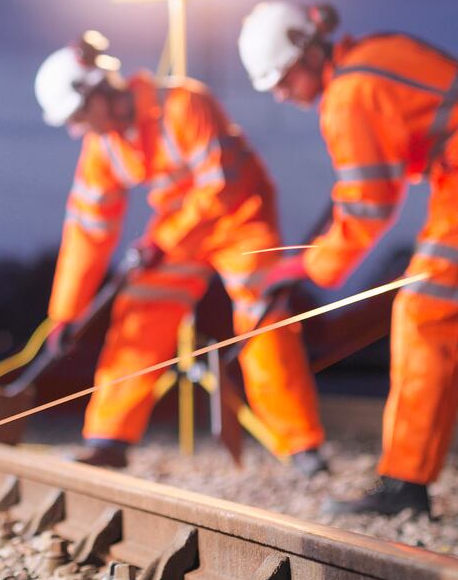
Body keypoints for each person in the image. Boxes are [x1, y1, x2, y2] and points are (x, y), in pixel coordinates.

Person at [238, 1, 458, 517]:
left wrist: (307, 268)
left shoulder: (348, 93)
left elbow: (368, 204)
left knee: (425, 313)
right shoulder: (369, 58)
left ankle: (404, 483)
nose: (280, 93)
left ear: (307, 53)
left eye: (282, 79)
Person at [35, 33, 325, 471]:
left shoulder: (184, 103)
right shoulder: (103, 146)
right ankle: (108, 439)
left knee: (262, 314)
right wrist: (67, 313)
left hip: (240, 216)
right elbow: (87, 229)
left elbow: (220, 186)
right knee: (139, 312)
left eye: (80, 115)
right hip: (178, 231)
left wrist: (161, 241)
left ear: (101, 90)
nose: (81, 129)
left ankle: (302, 445)